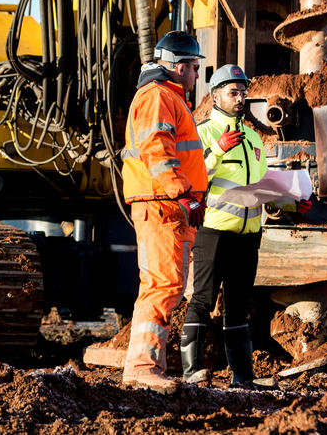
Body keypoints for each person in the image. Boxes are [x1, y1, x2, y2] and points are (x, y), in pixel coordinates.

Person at [180, 64, 311, 388]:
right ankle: (190, 372)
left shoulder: (253, 137)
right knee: (203, 300)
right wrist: (216, 151)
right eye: (233, 92)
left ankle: (243, 377)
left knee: (238, 306)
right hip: (214, 231)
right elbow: (190, 179)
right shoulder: (204, 133)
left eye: (243, 92)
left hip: (249, 235)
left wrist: (292, 202)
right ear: (215, 97)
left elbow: (262, 186)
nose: (240, 98)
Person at [121, 31, 208, 394]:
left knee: (164, 284)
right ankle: (142, 368)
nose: (196, 75)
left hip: (166, 203)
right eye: (193, 67)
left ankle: (147, 366)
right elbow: (157, 148)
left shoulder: (166, 96)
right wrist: (182, 192)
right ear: (178, 66)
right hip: (162, 203)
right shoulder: (158, 96)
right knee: (161, 285)